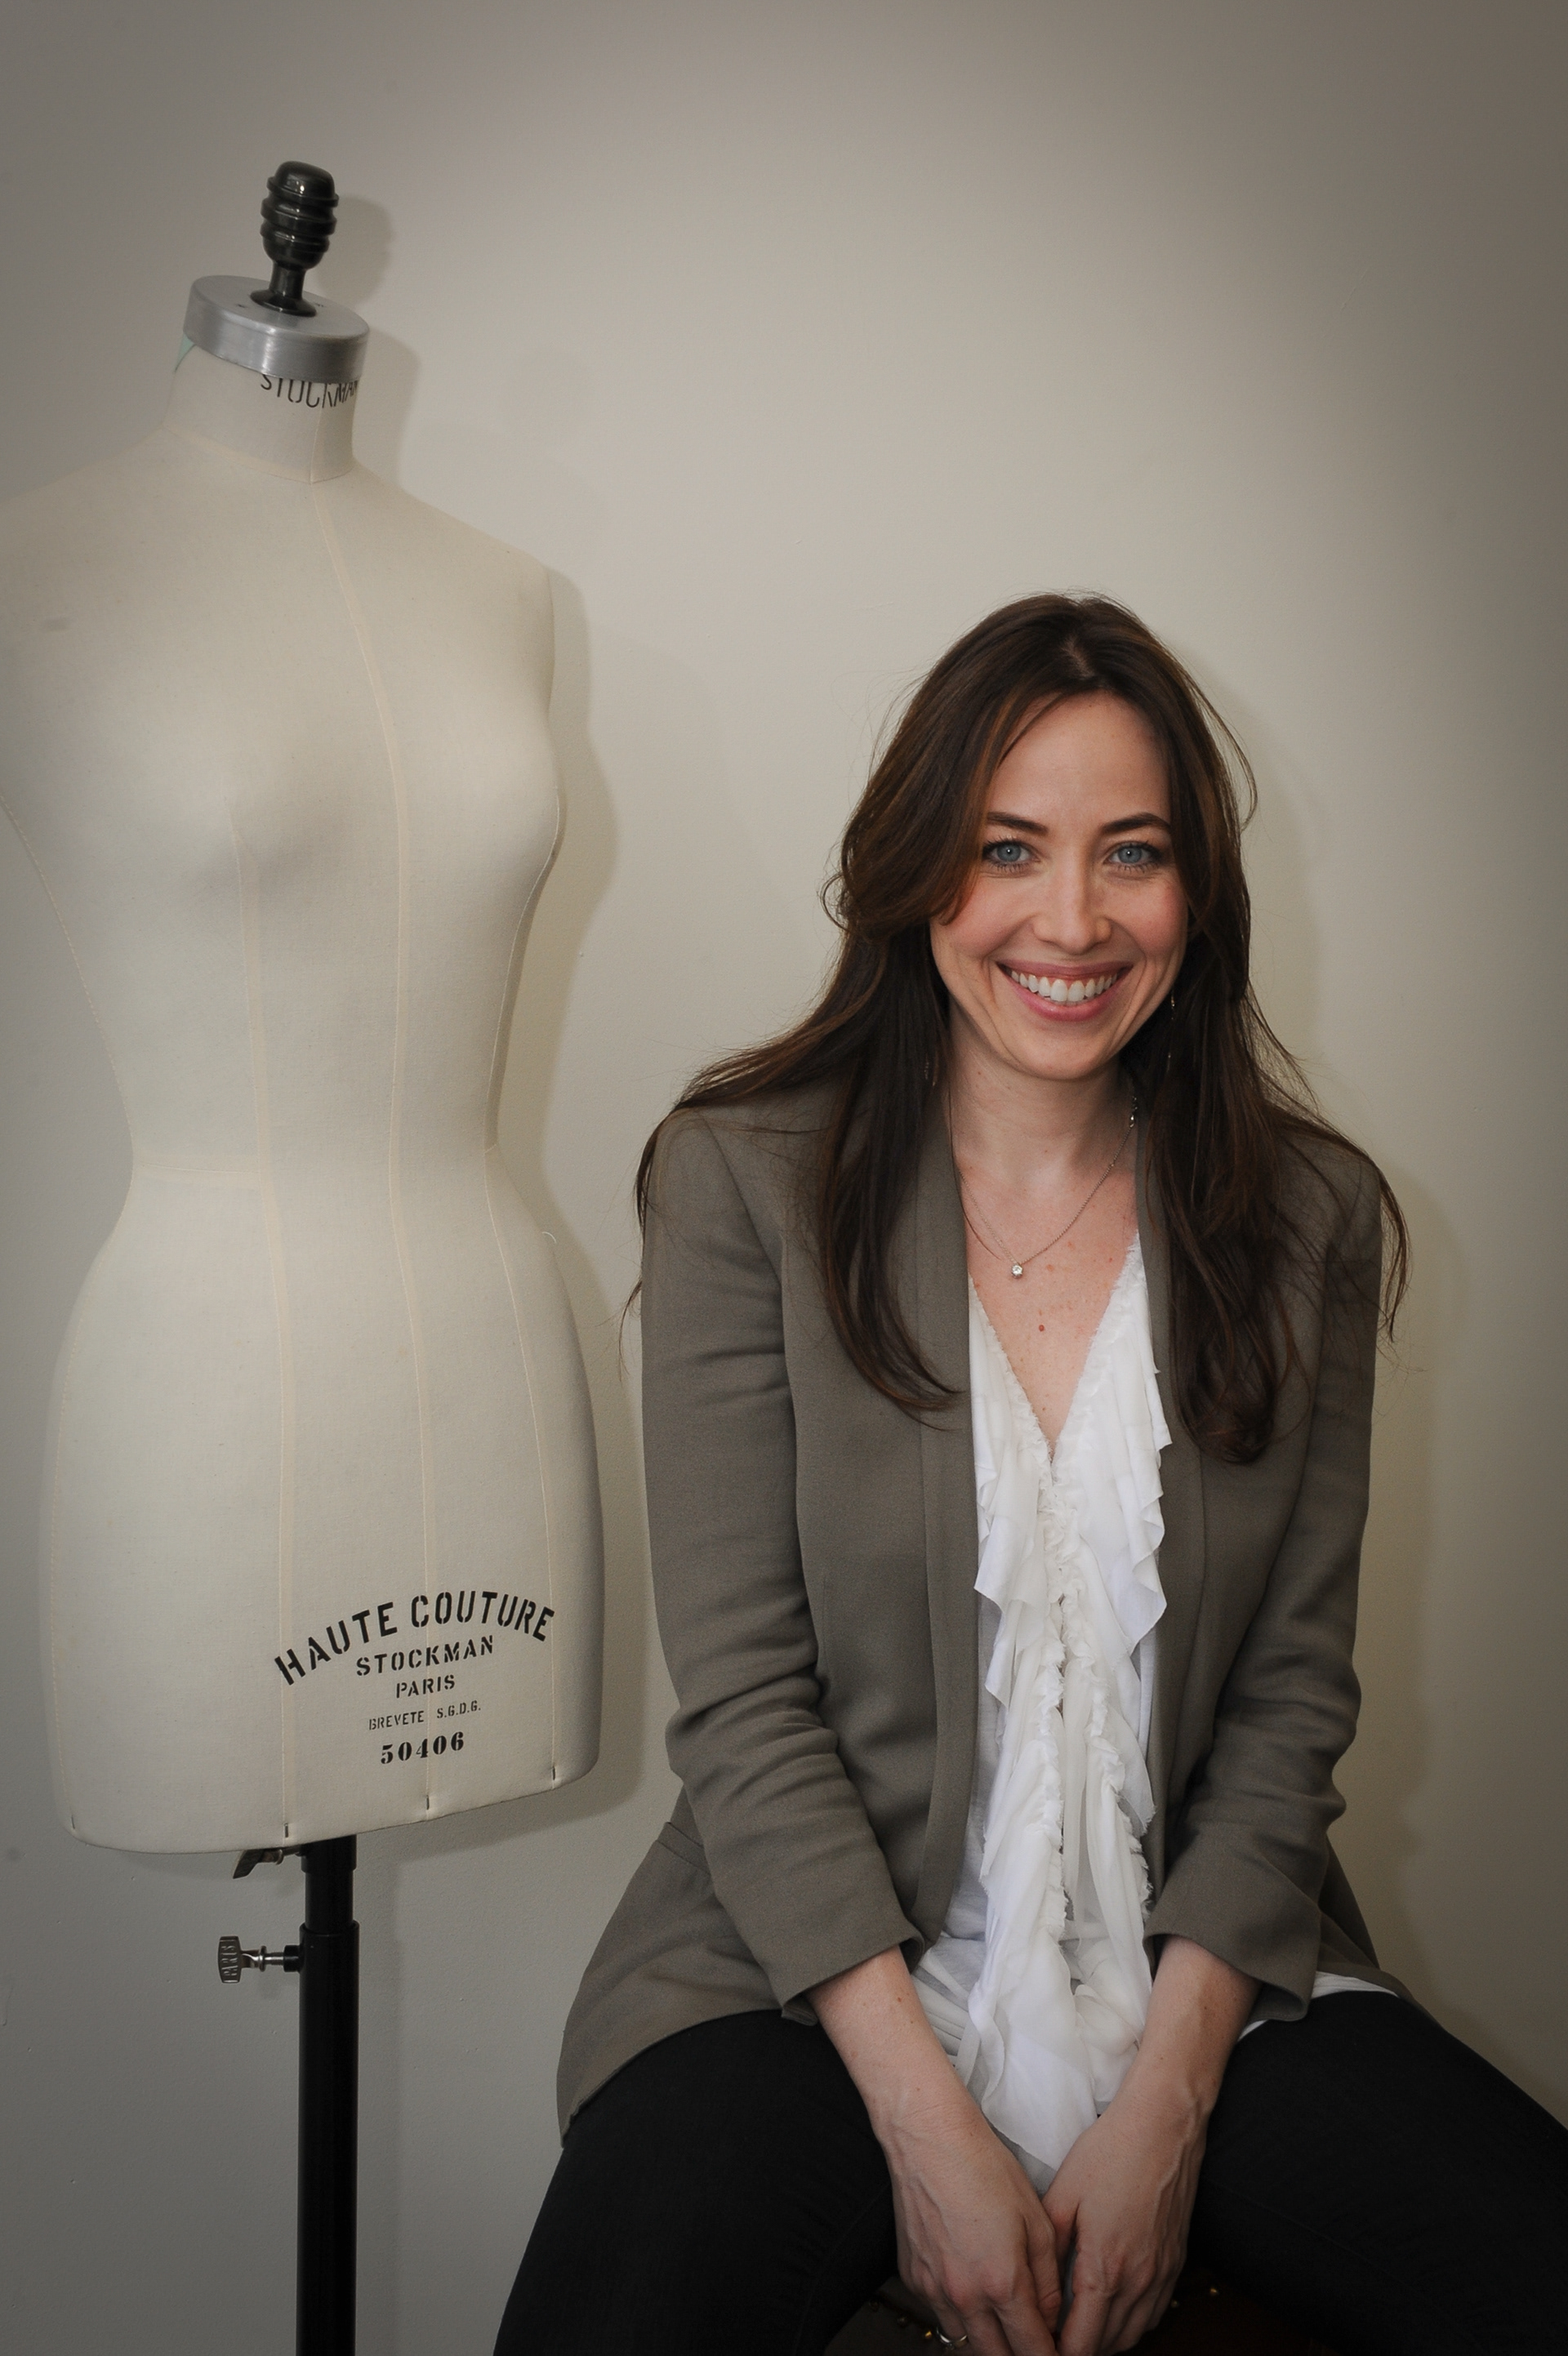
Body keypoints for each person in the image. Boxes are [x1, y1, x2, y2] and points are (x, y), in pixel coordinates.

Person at [496, 596, 1568, 2356]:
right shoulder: (743, 1182)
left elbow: (1291, 1701)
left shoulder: (1306, 1217)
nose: (1072, 920)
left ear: (1196, 892)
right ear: (917, 869)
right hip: (810, 1976)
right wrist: (930, 2132)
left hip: (1205, 1973)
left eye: (1131, 852)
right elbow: (746, 1702)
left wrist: (1170, 2107)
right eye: (1009, 848)